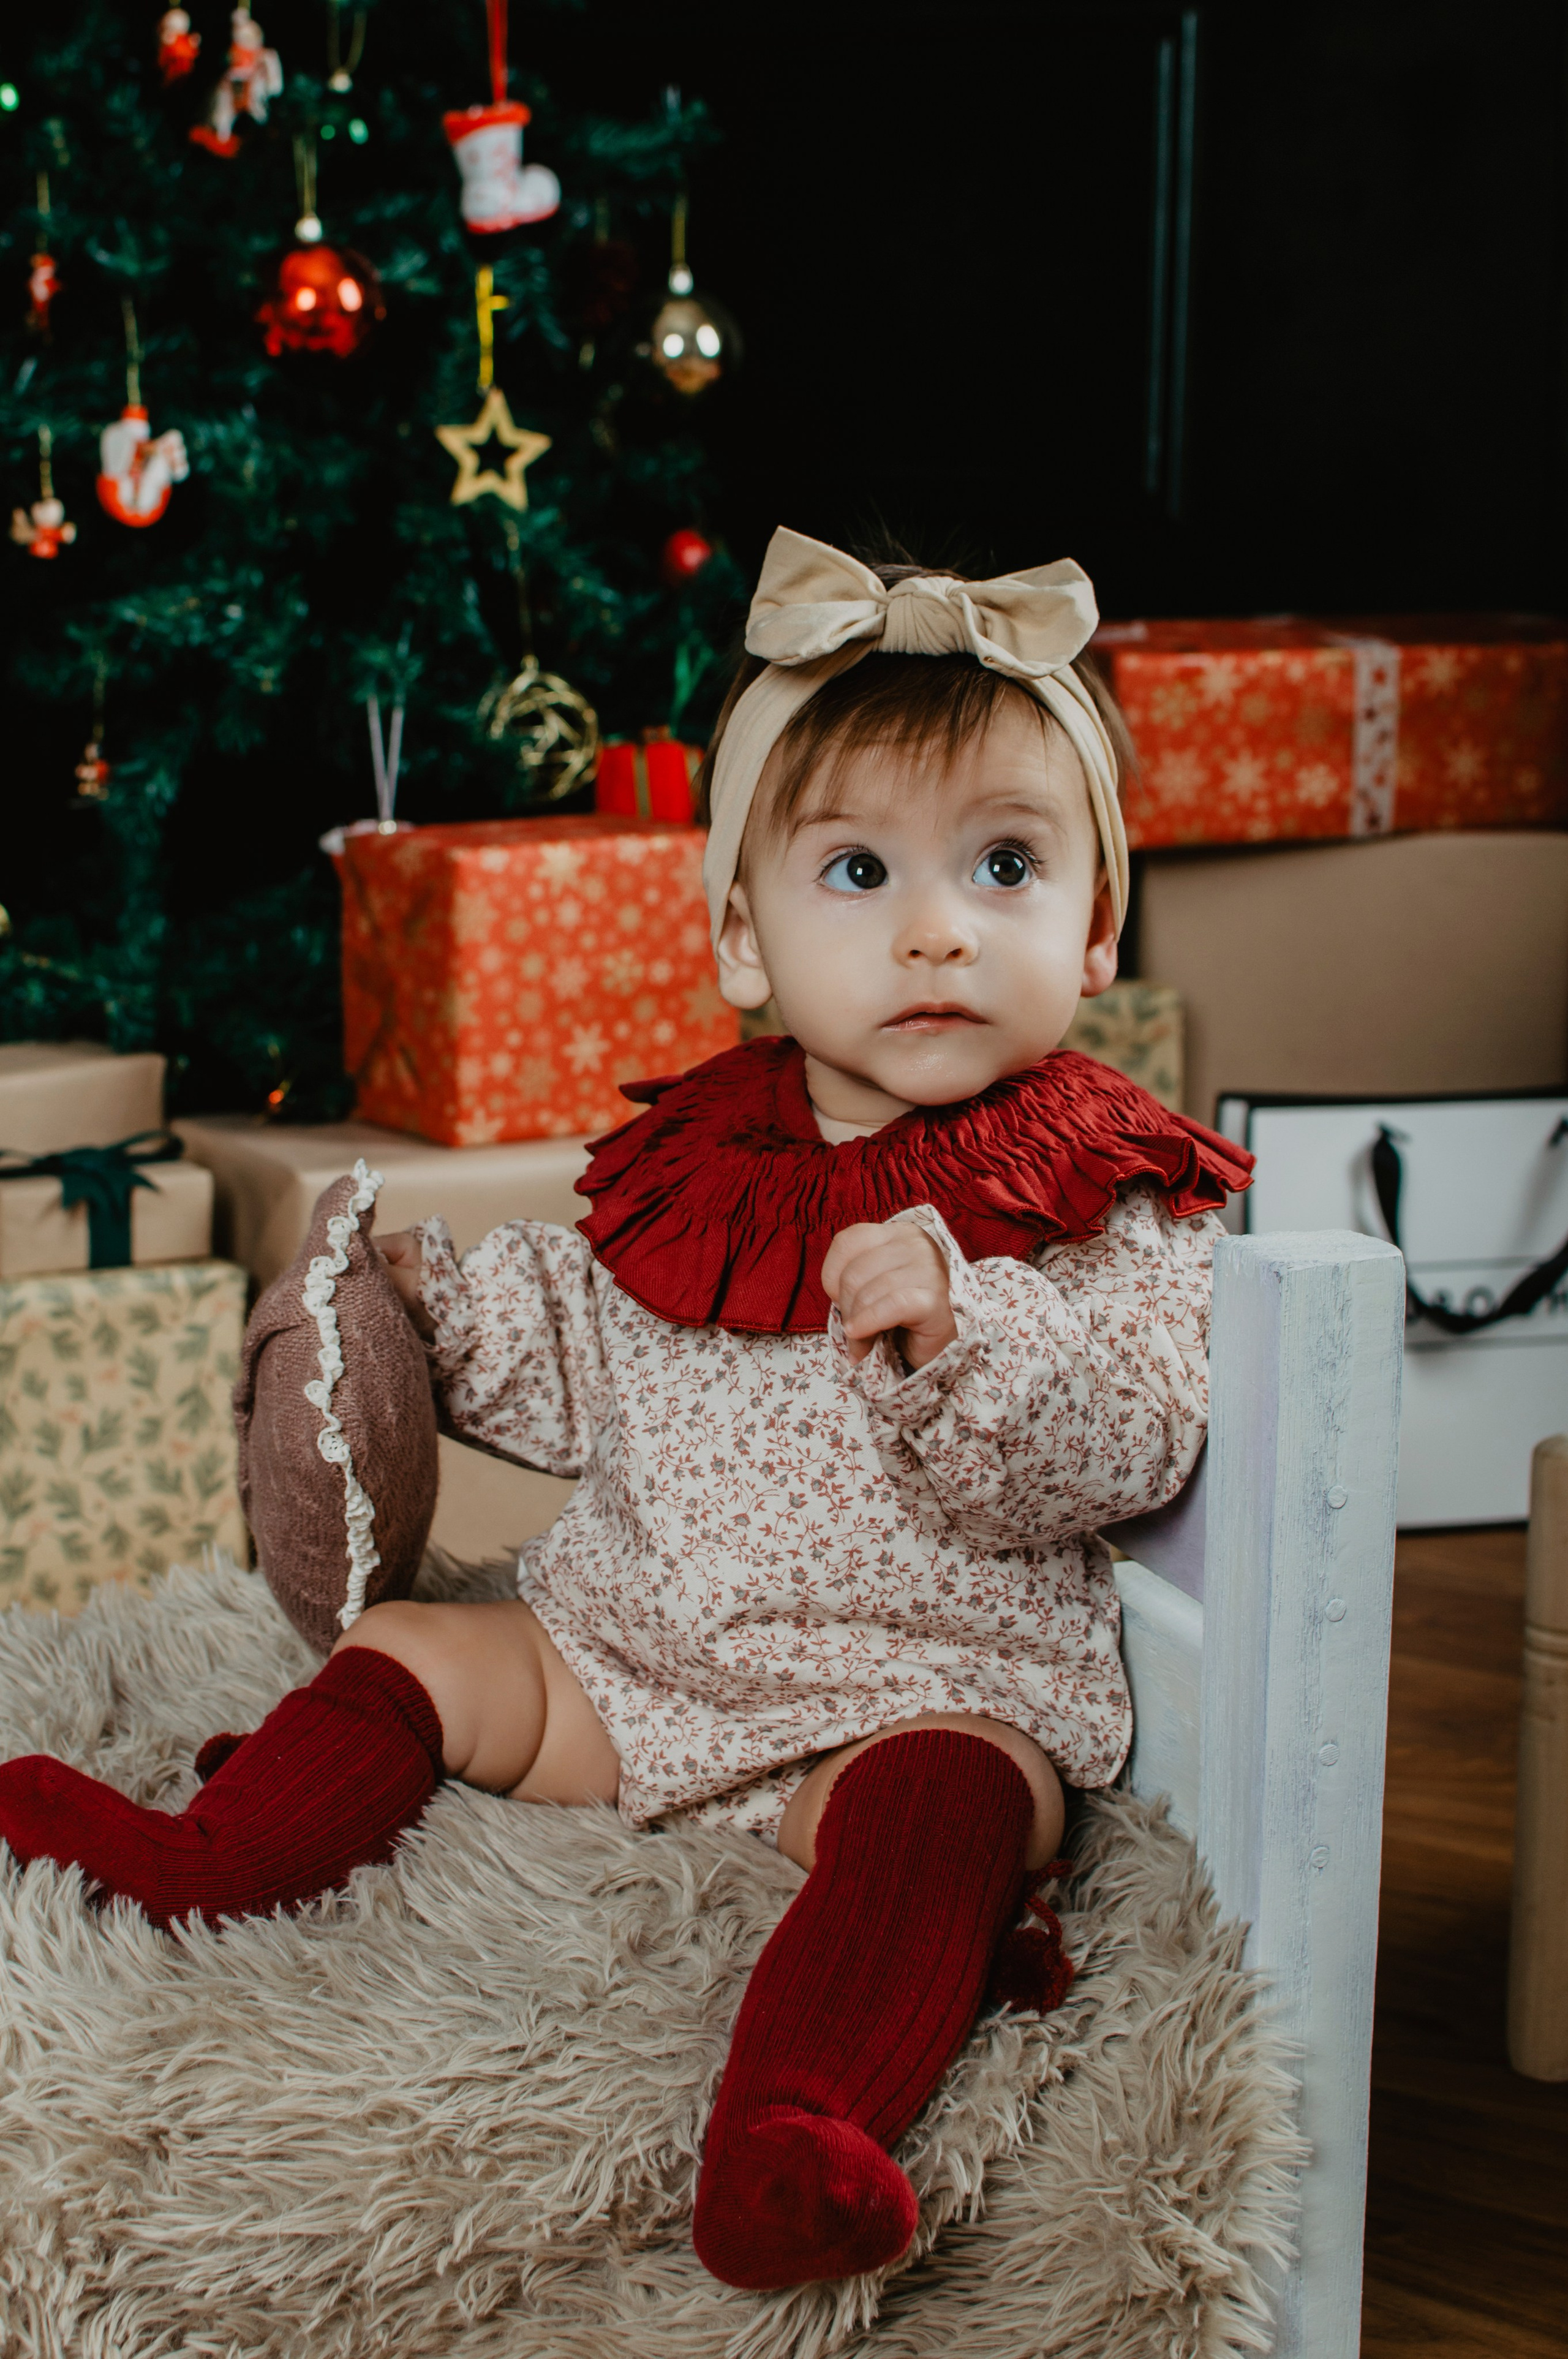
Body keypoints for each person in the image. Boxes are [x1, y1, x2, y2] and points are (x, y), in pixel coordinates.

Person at [0, 530, 1251, 2290]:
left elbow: (1139, 1430)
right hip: (639, 1659)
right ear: (742, 932)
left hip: (919, 1682)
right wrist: (434, 1306)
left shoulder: (1098, 1192)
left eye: (1006, 863)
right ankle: (214, 1852)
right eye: (857, 870)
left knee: (958, 1811)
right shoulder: (705, 1168)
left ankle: (794, 2121)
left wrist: (969, 1336)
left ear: (1097, 917)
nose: (937, 925)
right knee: (438, 1642)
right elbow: (583, 1340)